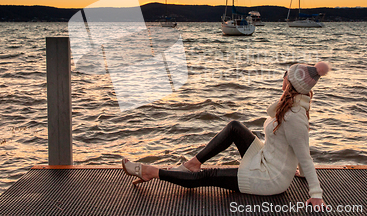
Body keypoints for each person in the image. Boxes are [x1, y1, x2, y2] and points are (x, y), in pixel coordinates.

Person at [122, 62, 330, 209]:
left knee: (209, 176)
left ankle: (151, 172)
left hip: (270, 179)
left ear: (291, 82)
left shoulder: (294, 116)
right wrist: (300, 172)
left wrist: (316, 195)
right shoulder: (290, 105)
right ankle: (193, 162)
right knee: (234, 127)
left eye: (286, 73)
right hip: (265, 159)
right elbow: (302, 146)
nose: (282, 76)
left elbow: (305, 154)